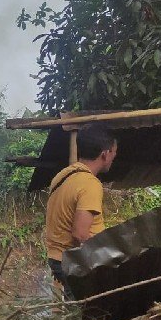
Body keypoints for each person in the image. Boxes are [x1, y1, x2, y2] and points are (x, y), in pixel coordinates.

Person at [45, 125, 117, 296]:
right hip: (74, 262)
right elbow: (80, 234)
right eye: (114, 152)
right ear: (105, 154)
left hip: (57, 257)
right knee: (86, 314)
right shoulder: (90, 184)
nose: (114, 157)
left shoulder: (63, 175)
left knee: (75, 309)